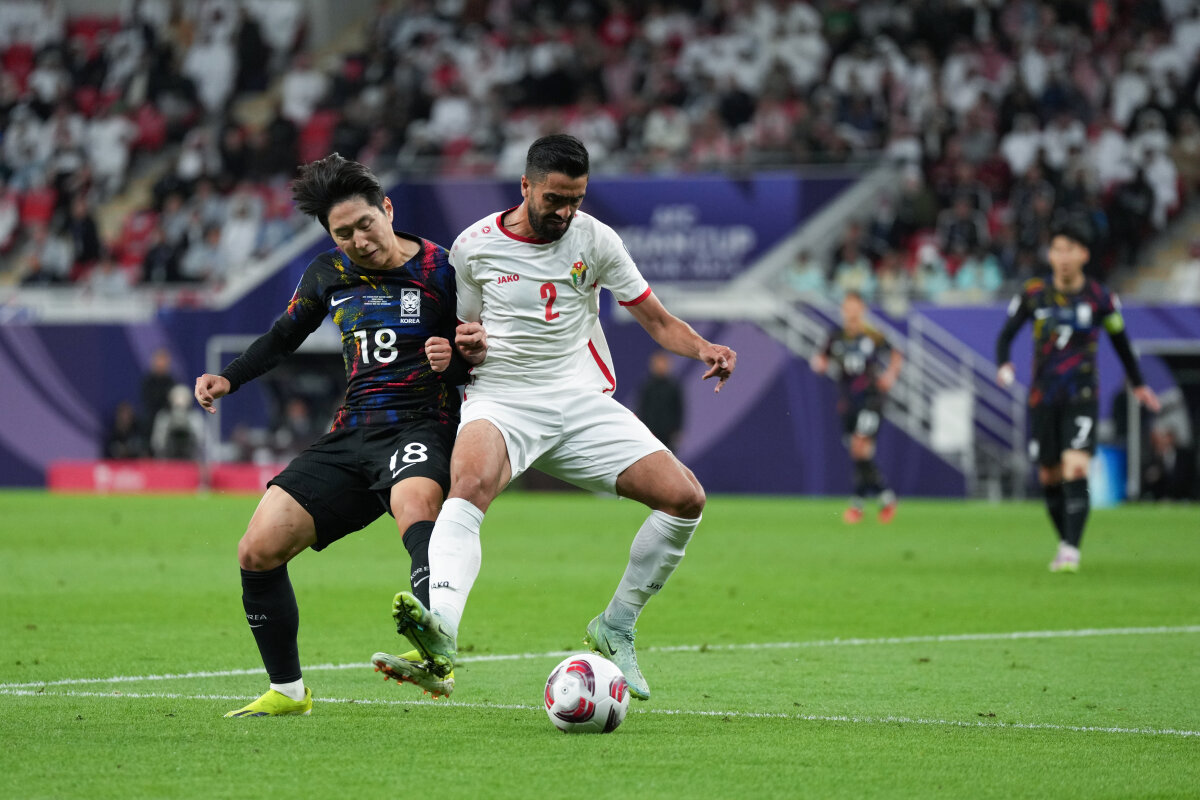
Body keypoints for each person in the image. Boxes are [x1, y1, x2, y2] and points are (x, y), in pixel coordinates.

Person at [381, 134, 736, 702]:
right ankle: (441, 635)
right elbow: (465, 331)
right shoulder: (473, 246)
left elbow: (656, 319)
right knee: (467, 486)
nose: (566, 211)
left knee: (685, 498)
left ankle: (616, 625)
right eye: (555, 199)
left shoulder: (597, 239)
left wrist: (704, 349)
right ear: (526, 186)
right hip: (501, 398)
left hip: (578, 399)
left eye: (576, 199)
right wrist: (466, 345)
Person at [193, 153, 484, 717]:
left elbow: (479, 352)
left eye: (365, 225)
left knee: (415, 504)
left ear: (388, 209)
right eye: (342, 233)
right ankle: (288, 691)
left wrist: (453, 360)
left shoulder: (443, 270)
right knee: (256, 549)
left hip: (423, 424)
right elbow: (283, 336)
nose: (358, 241)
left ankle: (436, 651)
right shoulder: (328, 273)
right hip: (351, 434)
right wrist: (229, 378)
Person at [995, 218, 1160, 573]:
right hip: (1043, 397)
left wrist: (1138, 383)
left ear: (1083, 254)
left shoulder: (1100, 298)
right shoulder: (1033, 293)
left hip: (1081, 394)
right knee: (1049, 476)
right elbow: (1005, 336)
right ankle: (1065, 541)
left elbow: (1120, 341)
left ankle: (1071, 549)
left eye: (1069, 250)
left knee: (1076, 466)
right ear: (1050, 255)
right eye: (1057, 249)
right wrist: (1004, 363)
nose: (1063, 257)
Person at [810, 290, 902, 523]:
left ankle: (863, 504)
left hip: (870, 399)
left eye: (855, 307)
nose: (850, 312)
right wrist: (819, 363)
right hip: (847, 401)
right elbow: (820, 358)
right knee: (859, 453)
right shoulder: (835, 336)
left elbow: (896, 354)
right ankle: (880, 499)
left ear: (862, 310)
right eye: (847, 307)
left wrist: (890, 376)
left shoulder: (873, 335)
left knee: (860, 446)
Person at [637, 350, 685, 451]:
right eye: (658, 362)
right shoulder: (647, 387)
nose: (660, 366)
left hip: (668, 436)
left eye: (663, 363)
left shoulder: (673, 387)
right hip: (650, 434)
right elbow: (641, 409)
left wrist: (677, 431)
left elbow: (679, 410)